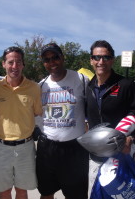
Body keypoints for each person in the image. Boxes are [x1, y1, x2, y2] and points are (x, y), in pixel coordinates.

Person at [86, 40, 135, 198]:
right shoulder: (89, 87)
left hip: (121, 156)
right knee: (95, 195)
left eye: (106, 57)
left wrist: (132, 139)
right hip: (96, 157)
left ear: (112, 60)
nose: (101, 61)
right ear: (91, 60)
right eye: (96, 57)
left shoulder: (125, 85)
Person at [36, 43, 89, 199]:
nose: (52, 62)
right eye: (47, 59)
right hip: (47, 148)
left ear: (62, 57)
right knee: (46, 192)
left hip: (74, 148)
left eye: (55, 57)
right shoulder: (41, 85)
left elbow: (93, 107)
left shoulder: (80, 79)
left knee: (76, 195)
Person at [0, 46, 42, 199]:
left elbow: (38, 112)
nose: (15, 66)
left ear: (23, 65)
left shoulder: (34, 88)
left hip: (25, 147)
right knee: (4, 191)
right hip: (1, 147)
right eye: (10, 62)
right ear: (3, 64)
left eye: (18, 62)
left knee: (22, 190)